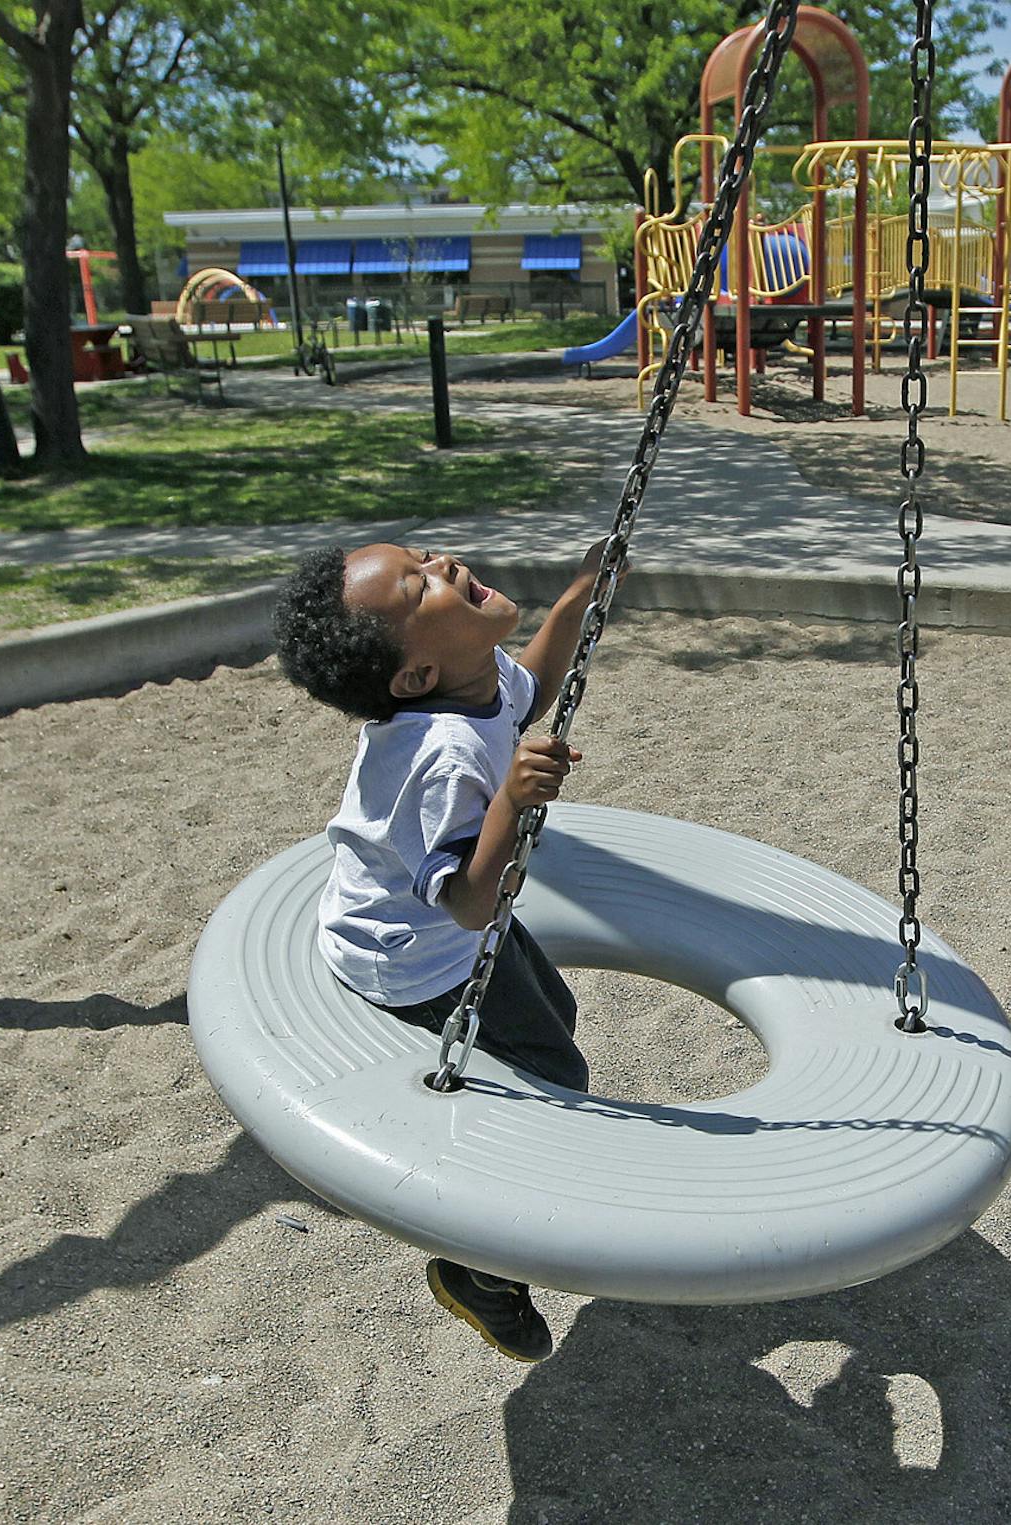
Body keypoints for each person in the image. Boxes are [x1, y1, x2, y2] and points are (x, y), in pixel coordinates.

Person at [272, 536, 621, 1361]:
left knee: (556, 1014)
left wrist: (579, 594)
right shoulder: (441, 758)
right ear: (418, 676)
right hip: (410, 952)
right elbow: (468, 904)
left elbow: (526, 693)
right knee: (556, 1078)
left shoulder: (476, 677)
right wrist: (511, 796)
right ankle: (478, 1270)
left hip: (445, 923)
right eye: (418, 582)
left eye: (423, 554)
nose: (443, 563)